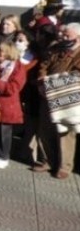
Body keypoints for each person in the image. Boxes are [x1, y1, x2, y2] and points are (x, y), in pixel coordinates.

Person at [36, 22, 80, 179]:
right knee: (45, 129)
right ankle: (47, 160)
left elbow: (77, 76)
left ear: (78, 37)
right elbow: (44, 65)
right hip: (47, 94)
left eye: (67, 35)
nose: (63, 37)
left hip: (68, 97)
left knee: (65, 132)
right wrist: (42, 80)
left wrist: (52, 84)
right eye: (62, 34)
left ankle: (64, 166)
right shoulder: (55, 48)